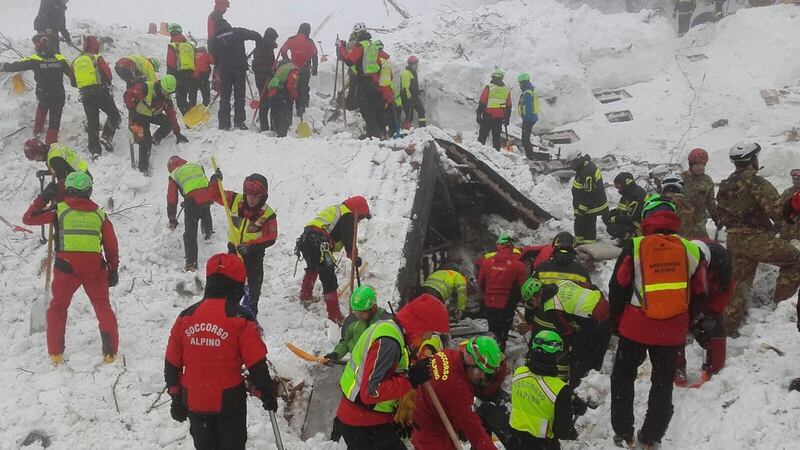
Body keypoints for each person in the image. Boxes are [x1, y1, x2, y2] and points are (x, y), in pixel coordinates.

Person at [608, 196, 707, 448]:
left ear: (646, 219)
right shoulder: (692, 249)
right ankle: (652, 436)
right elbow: (700, 292)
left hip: (635, 326)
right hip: (671, 331)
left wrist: (616, 320)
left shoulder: (636, 245)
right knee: (662, 382)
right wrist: (687, 322)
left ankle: (623, 432)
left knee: (623, 376)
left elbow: (618, 285)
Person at [164, 252, 279, 450]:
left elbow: (172, 362)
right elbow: (256, 363)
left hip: (195, 398)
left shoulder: (186, 316)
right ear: (237, 285)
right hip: (229, 401)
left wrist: (176, 396)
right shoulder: (241, 318)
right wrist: (266, 392)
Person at [21, 172, 119, 364]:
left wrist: (44, 197)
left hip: (66, 268)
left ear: (68, 190)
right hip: (95, 269)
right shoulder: (100, 214)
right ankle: (109, 353)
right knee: (103, 308)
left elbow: (28, 218)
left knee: (58, 308)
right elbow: (111, 245)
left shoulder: (59, 211)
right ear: (89, 191)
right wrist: (113, 269)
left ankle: (56, 354)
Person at [336, 294, 450, 449]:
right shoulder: (389, 342)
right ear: (419, 325)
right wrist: (410, 380)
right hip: (363, 423)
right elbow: (370, 392)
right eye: (429, 330)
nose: (429, 336)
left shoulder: (392, 331)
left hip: (366, 420)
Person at [716, 142, 800, 335]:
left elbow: (721, 214)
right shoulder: (757, 183)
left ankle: (725, 332)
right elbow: (777, 212)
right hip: (755, 239)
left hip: (734, 240)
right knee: (795, 260)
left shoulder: (726, 185)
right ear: (753, 160)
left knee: (737, 287)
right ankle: (781, 307)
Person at [479, 330, 579, 450]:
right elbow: (562, 431)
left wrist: (570, 398)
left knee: (487, 409)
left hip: (514, 441)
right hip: (542, 446)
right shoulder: (561, 390)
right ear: (557, 356)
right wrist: (572, 432)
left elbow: (537, 390)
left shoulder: (520, 373)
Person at [411, 336, 503, 450]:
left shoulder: (448, 354)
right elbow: (476, 434)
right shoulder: (457, 389)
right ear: (473, 364)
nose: (483, 378)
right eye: (485, 374)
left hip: (426, 421)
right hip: (434, 438)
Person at [207, 170, 277, 317]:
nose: (251, 200)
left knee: (253, 283)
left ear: (263, 196)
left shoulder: (267, 214)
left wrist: (251, 246)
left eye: (255, 197)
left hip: (254, 253)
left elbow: (271, 236)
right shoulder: (234, 200)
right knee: (230, 279)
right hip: (234, 249)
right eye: (249, 196)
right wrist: (214, 182)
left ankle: (251, 312)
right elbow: (215, 195)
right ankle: (230, 310)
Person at [522, 276, 610, 387]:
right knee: (597, 352)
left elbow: (567, 332)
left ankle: (576, 389)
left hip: (594, 322)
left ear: (534, 298)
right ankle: (595, 380)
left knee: (578, 359)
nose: (534, 306)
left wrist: (571, 348)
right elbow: (592, 287)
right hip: (606, 311)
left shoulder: (551, 307)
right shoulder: (562, 283)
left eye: (531, 304)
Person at [297, 196, 371, 323]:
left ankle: (305, 295)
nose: (358, 221)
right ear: (357, 210)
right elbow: (349, 240)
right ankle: (335, 315)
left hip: (306, 239)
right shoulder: (348, 216)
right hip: (319, 242)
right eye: (360, 217)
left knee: (312, 267)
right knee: (328, 277)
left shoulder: (337, 210)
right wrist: (354, 256)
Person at [674, 238, 732, 386]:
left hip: (710, 294)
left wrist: (712, 313)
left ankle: (713, 369)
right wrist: (691, 317)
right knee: (675, 328)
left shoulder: (720, 257)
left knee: (716, 329)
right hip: (684, 298)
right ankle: (676, 368)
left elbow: (725, 289)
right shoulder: (679, 259)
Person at [0, 34, 70, 145]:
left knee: (42, 106)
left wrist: (3, 66)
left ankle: (37, 132)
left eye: (35, 44)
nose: (34, 47)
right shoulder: (60, 58)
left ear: (39, 44)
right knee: (54, 122)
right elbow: (72, 73)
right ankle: (50, 145)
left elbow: (16, 66)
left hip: (44, 94)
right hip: (58, 94)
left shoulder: (35, 59)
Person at [124, 74, 188, 174]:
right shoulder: (146, 88)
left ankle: (156, 138)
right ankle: (143, 168)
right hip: (139, 115)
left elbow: (172, 116)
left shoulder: (167, 99)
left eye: (170, 92)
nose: (167, 93)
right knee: (145, 141)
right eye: (166, 90)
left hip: (152, 115)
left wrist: (177, 133)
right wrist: (131, 108)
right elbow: (127, 94)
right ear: (161, 85)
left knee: (168, 123)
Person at [70, 35, 120, 157]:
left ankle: (95, 151)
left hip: (86, 95)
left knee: (93, 122)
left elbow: (73, 82)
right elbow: (108, 75)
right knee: (114, 115)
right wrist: (106, 84)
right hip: (100, 92)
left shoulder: (75, 61)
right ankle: (106, 137)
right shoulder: (96, 58)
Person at [477, 233, 529, 350]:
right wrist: (516, 300)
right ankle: (500, 358)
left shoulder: (487, 262)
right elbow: (523, 287)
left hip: (490, 303)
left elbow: (480, 283)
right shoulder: (518, 266)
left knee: (493, 332)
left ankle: (489, 356)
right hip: (507, 305)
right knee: (502, 335)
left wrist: (488, 295)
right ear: (510, 246)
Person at [337, 23, 389, 139]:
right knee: (375, 109)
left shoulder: (360, 46)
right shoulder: (372, 46)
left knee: (365, 109)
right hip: (374, 81)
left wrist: (341, 48)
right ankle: (381, 133)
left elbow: (349, 60)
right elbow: (378, 64)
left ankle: (373, 134)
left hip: (364, 81)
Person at [210, 19, 261, 130]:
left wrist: (219, 66)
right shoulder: (238, 32)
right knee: (239, 97)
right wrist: (259, 45)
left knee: (225, 98)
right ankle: (239, 122)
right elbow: (256, 35)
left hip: (225, 72)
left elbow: (213, 56)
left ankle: (224, 124)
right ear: (227, 24)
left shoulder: (214, 39)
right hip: (239, 70)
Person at [166, 156, 214, 272]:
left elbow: (172, 198)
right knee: (205, 210)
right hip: (208, 195)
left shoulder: (174, 175)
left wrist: (172, 217)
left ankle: (191, 264)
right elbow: (200, 183)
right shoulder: (196, 165)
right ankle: (208, 233)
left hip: (193, 202)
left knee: (190, 234)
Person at [324, 285, 392, 364]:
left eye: (361, 313)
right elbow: (345, 342)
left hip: (378, 366)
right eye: (356, 312)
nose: (357, 316)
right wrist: (336, 354)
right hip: (357, 365)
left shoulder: (387, 323)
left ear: (373, 308)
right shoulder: (351, 322)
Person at [24, 140, 91, 200]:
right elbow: (62, 167)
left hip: (81, 182)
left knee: (69, 204)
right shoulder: (53, 148)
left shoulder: (54, 159)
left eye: (36, 158)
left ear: (40, 151)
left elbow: (62, 181)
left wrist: (58, 202)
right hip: (80, 175)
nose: (36, 161)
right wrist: (46, 172)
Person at [567, 152, 609, 244]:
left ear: (577, 161)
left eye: (571, 164)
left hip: (591, 206)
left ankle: (589, 247)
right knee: (581, 225)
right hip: (586, 205)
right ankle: (581, 245)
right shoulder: (583, 168)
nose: (571, 166)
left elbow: (589, 194)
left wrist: (581, 210)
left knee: (587, 226)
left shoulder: (587, 172)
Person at [279, 22, 318, 117]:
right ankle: (301, 107)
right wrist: (315, 69)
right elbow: (315, 56)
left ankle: (290, 106)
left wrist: (287, 61)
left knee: (292, 86)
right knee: (303, 88)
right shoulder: (310, 42)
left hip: (292, 68)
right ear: (308, 30)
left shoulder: (291, 39)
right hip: (304, 69)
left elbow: (283, 51)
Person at [682, 148, 719, 239]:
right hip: (681, 227)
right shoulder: (680, 179)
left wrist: (717, 218)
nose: (701, 167)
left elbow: (711, 202)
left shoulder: (707, 180)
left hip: (699, 227)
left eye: (703, 164)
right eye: (698, 164)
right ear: (691, 164)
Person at [603, 172, 647, 241]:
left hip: (638, 224)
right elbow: (621, 209)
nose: (618, 189)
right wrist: (611, 213)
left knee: (612, 228)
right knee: (609, 221)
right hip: (632, 220)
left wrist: (612, 219)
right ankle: (626, 234)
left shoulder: (637, 194)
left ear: (626, 184)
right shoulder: (628, 193)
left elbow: (630, 217)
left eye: (619, 186)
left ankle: (630, 238)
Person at [477, 69, 512, 151]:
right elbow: (509, 106)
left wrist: (479, 113)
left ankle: (478, 152)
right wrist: (507, 118)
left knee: (482, 137)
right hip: (499, 118)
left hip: (488, 116)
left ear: (493, 78)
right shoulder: (506, 90)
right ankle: (497, 153)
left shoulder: (489, 87)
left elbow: (482, 101)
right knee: (496, 139)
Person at [166, 23, 197, 114]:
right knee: (192, 99)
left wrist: (169, 78)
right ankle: (195, 114)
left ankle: (189, 118)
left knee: (181, 101)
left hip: (179, 75)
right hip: (191, 75)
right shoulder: (191, 46)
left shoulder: (173, 45)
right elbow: (195, 60)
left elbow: (170, 63)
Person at [252, 28, 278, 132]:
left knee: (272, 102)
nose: (274, 41)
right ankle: (264, 127)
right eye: (273, 39)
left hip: (269, 78)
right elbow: (256, 65)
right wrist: (268, 71)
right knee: (264, 103)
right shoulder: (261, 48)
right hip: (262, 79)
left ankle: (273, 127)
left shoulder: (269, 48)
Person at [266, 59, 300, 137]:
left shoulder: (282, 68)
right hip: (280, 92)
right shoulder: (294, 69)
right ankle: (282, 136)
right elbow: (290, 85)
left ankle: (275, 132)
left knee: (275, 114)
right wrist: (296, 95)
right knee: (283, 115)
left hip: (272, 93)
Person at [376, 43, 402, 137]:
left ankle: (382, 134)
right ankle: (393, 134)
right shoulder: (386, 62)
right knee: (392, 116)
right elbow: (390, 77)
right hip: (390, 91)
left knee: (381, 115)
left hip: (381, 91)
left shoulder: (378, 60)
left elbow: (375, 76)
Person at [517, 72, 540, 160]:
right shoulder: (529, 91)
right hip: (530, 117)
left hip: (529, 118)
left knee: (525, 138)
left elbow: (529, 107)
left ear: (523, 83)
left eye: (520, 83)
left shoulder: (527, 93)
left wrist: (526, 118)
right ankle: (530, 155)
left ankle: (530, 157)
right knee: (526, 138)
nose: (519, 85)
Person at [401, 55, 426, 128]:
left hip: (414, 97)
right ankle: (406, 130)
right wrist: (409, 99)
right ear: (410, 65)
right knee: (409, 116)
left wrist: (417, 90)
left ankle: (423, 128)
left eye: (416, 64)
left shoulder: (413, 72)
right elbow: (405, 88)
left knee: (421, 111)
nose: (416, 66)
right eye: (414, 64)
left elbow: (412, 85)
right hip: (408, 98)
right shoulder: (406, 73)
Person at [777, 168, 800, 241]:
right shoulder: (787, 192)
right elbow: (778, 209)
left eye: (798, 179)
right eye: (794, 179)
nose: (796, 181)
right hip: (787, 231)